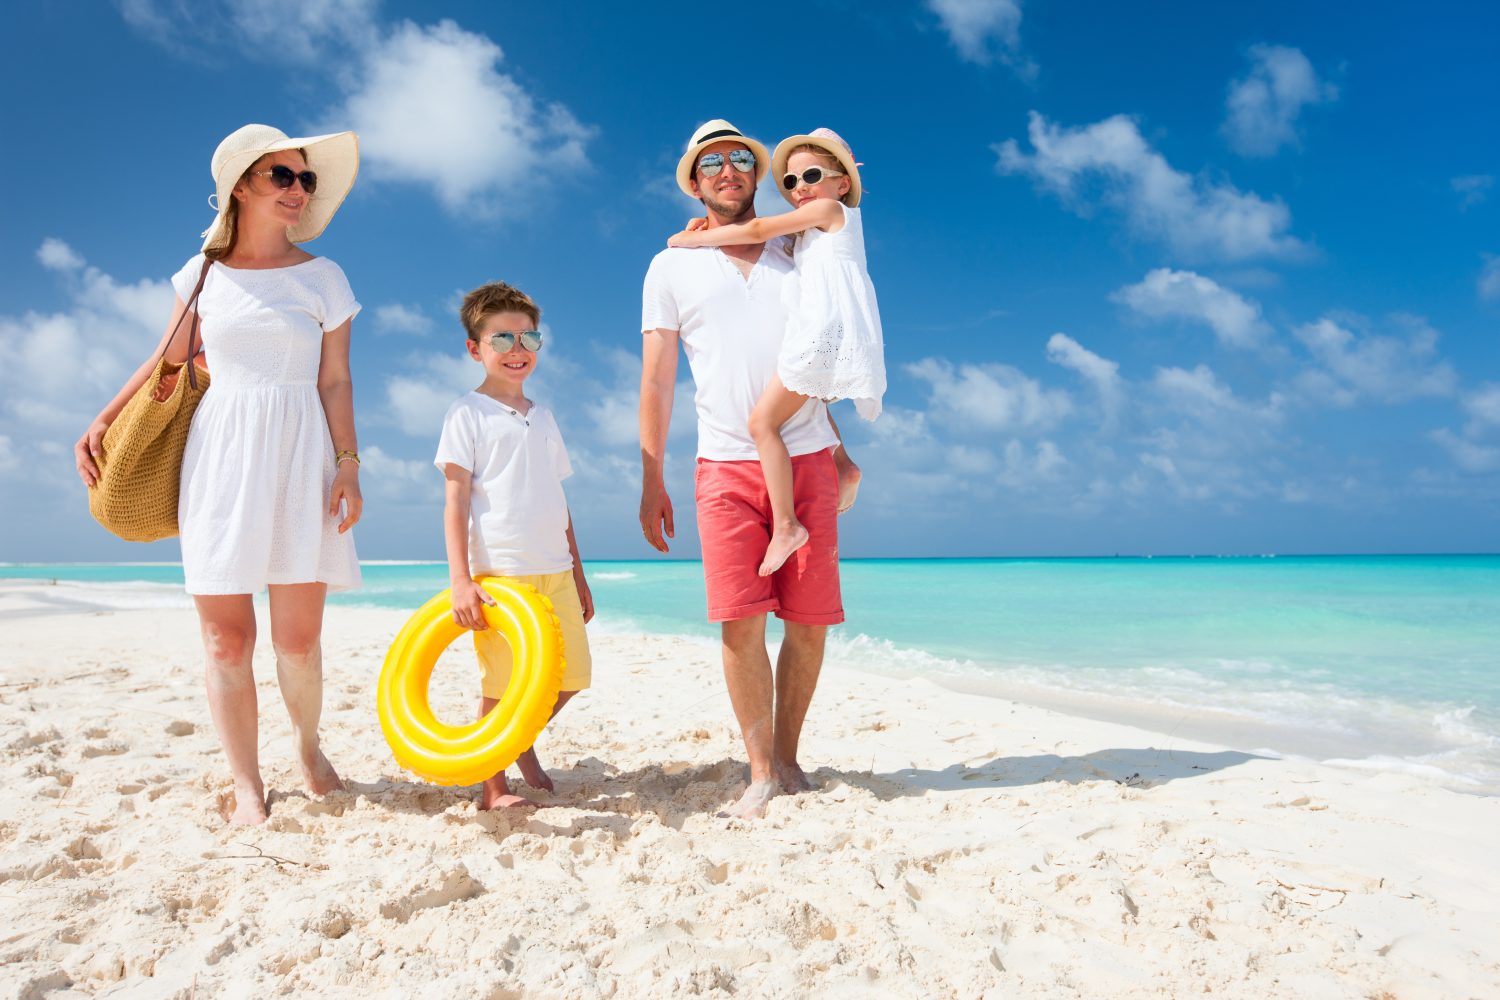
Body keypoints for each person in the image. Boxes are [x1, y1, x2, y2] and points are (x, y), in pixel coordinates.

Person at [73, 124, 364, 825]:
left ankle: (306, 745)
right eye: (282, 176)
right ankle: (245, 784)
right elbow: (168, 358)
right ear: (241, 186)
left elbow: (334, 380)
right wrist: (105, 417)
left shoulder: (324, 277)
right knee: (226, 640)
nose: (298, 189)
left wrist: (349, 463)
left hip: (302, 452)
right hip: (220, 455)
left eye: (306, 178)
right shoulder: (202, 272)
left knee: (297, 640)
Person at [640, 119, 844, 819]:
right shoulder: (671, 265)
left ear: (753, 174)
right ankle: (759, 771)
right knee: (740, 623)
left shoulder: (797, 243)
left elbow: (819, 352)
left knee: (810, 622)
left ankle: (788, 759)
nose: (727, 170)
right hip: (723, 463)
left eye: (738, 159)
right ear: (695, 182)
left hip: (807, 452)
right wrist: (651, 476)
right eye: (711, 163)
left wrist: (841, 446)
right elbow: (658, 379)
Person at [669, 127, 885, 576]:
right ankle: (844, 466)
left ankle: (787, 525)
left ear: (843, 182)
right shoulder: (808, 233)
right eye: (789, 182)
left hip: (824, 331)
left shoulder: (830, 210)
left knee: (762, 420)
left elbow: (761, 228)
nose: (800, 188)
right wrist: (705, 225)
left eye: (810, 174)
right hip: (824, 332)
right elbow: (762, 239)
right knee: (794, 397)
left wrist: (692, 240)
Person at [436, 281, 594, 810]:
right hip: (500, 574)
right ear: (474, 349)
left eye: (528, 338)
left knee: (572, 676)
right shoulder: (467, 413)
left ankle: (518, 740)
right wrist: (461, 580)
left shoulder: (543, 416)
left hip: (555, 567)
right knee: (502, 685)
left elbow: (559, 499)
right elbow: (455, 502)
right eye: (501, 339)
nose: (517, 350)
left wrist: (579, 572)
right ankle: (494, 787)